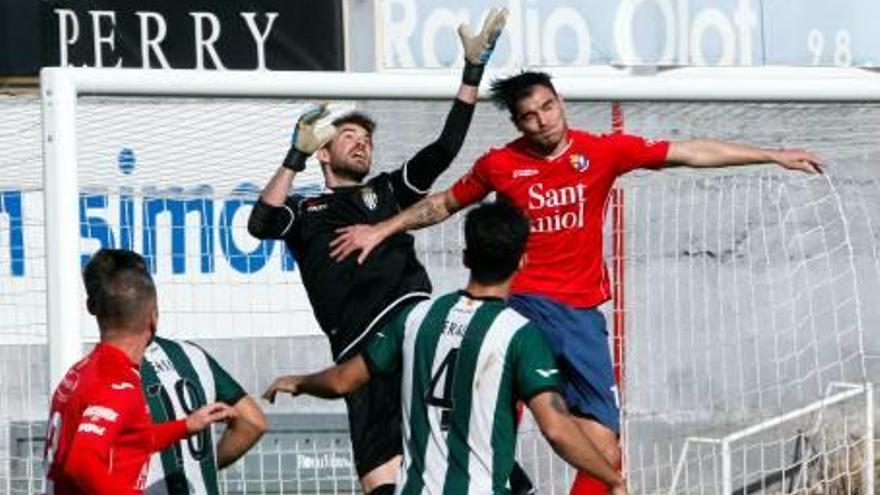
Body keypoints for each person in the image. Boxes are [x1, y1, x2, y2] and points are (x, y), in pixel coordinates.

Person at [327, 71, 825, 494]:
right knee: (492, 428)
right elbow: (443, 203)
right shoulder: (500, 164)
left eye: (548, 107)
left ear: (560, 103)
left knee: (603, 450)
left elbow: (691, 151)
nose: (542, 120)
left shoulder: (602, 153)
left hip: (581, 315)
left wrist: (772, 154)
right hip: (519, 309)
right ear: (517, 122)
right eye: (529, 115)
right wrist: (384, 227)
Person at [247, 8, 508, 494]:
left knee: (460, 443)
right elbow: (259, 223)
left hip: (411, 328)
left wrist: (472, 73)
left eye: (367, 140)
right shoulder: (306, 213)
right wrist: (293, 155)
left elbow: (446, 147)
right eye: (350, 137)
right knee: (381, 478)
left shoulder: (386, 192)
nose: (362, 145)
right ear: (323, 152)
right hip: (356, 352)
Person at [263, 202, 628, 495]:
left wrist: (299, 381)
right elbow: (557, 430)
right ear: (522, 261)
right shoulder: (519, 334)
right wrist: (611, 479)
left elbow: (344, 380)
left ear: (465, 257)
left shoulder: (416, 318)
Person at [43, 249, 234, 495]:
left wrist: (185, 426)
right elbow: (81, 463)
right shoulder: (117, 384)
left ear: (92, 308)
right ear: (153, 316)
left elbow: (128, 438)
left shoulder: (84, 371)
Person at [142, 336, 268, 495]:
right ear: (153, 315)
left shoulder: (104, 364)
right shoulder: (191, 354)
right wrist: (205, 467)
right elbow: (253, 422)